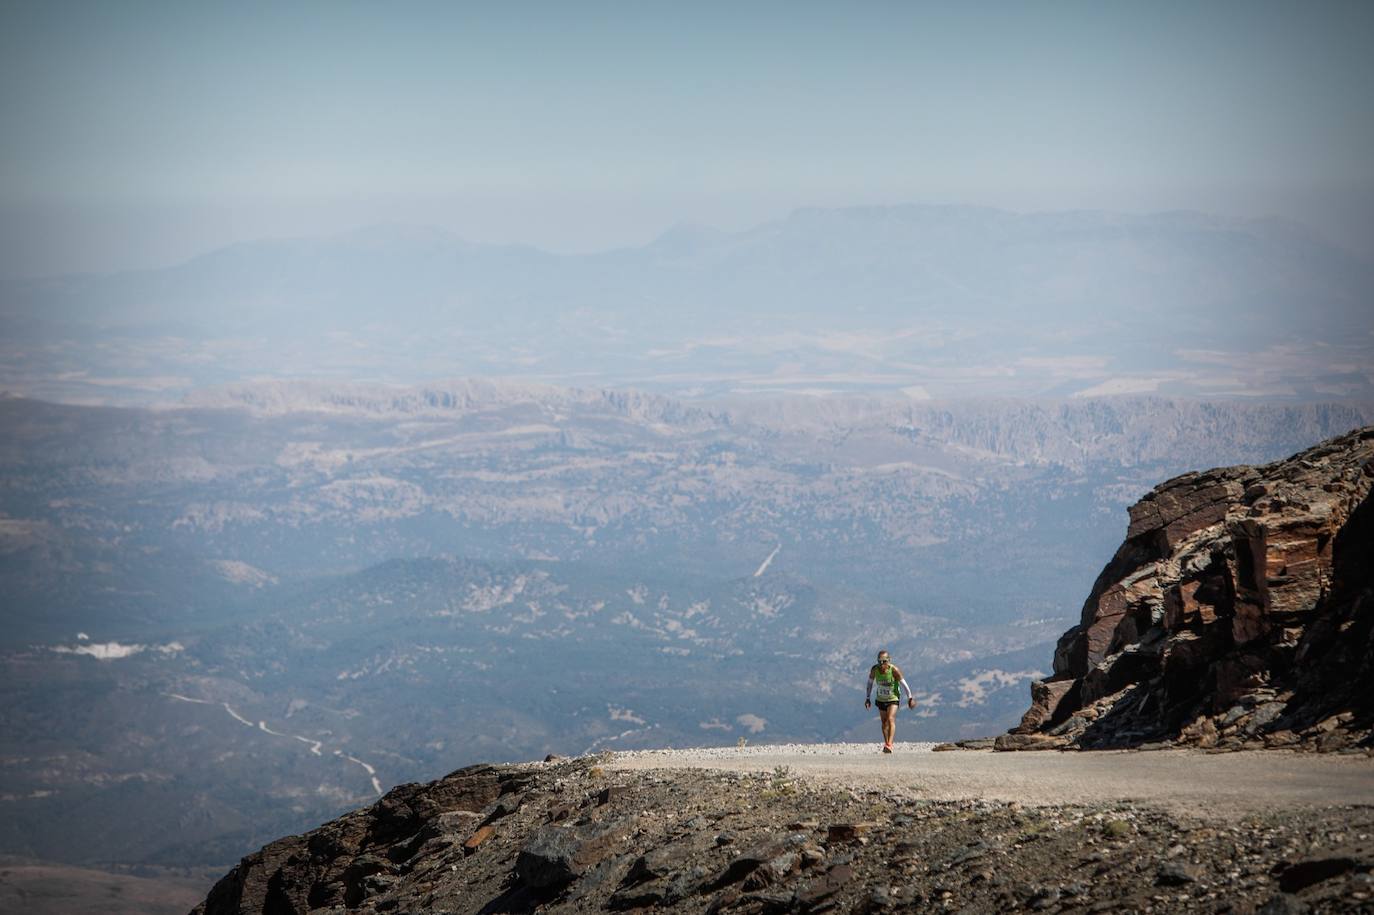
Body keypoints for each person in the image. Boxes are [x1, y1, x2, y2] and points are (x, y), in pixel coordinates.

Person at [864, 650, 916, 753]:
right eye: (879, 661)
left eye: (884, 661)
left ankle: (889, 744)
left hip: (893, 698)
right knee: (884, 723)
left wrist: (910, 698)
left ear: (889, 661)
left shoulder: (894, 670)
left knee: (890, 718)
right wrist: (868, 698)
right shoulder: (875, 670)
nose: (881, 664)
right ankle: (886, 743)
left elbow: (904, 684)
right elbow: (869, 683)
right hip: (881, 699)